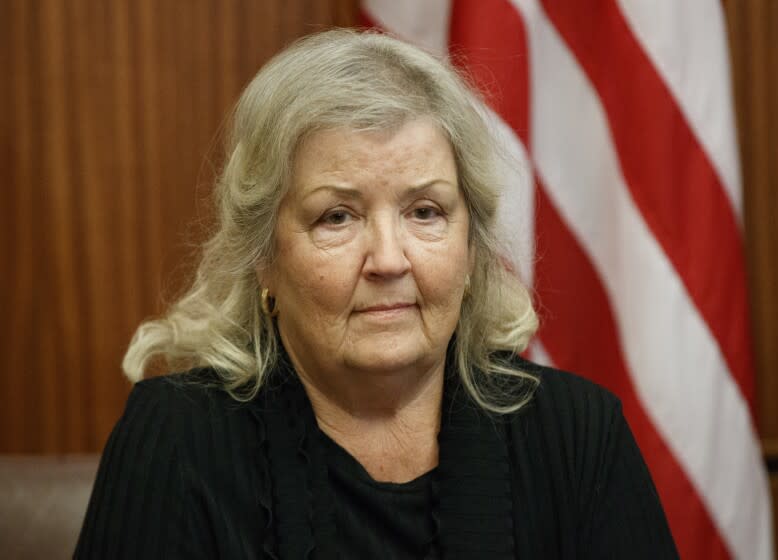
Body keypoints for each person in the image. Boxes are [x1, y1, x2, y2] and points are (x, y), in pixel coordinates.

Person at [75, 29, 677, 559]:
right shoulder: (176, 443)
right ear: (264, 258)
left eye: (425, 211)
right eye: (337, 216)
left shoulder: (578, 438)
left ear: (471, 248)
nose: (389, 260)